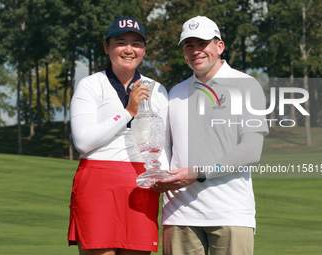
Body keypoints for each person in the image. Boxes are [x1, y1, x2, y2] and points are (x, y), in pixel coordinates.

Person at [152, 16, 269, 255]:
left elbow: (251, 150)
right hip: (179, 213)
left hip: (229, 212)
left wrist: (197, 174)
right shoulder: (175, 93)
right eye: (189, 44)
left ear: (219, 46)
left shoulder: (247, 86)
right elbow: (163, 147)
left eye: (202, 43)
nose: (195, 51)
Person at [67, 17, 170, 255]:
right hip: (97, 182)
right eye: (120, 42)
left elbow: (163, 146)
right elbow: (83, 142)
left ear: (143, 49)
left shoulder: (157, 89)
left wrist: (164, 179)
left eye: (136, 43)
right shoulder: (91, 85)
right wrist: (128, 112)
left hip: (142, 183)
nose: (129, 49)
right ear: (107, 47)